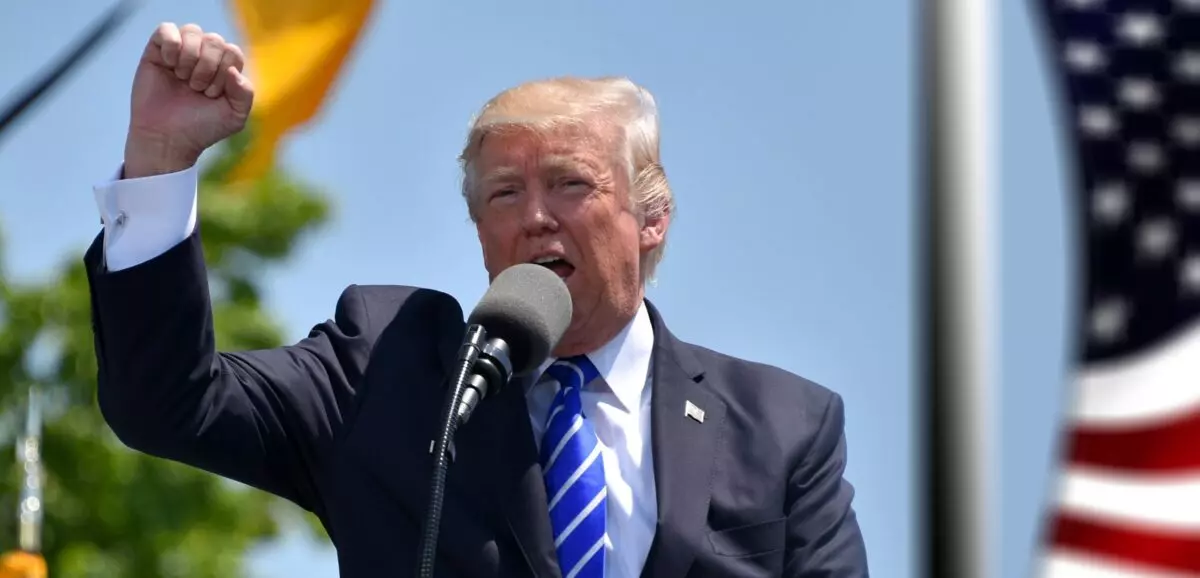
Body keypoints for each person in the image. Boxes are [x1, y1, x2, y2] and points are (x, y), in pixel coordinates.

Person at [85, 22, 870, 578]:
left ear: (652, 217)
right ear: (479, 228)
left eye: (570, 184)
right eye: (504, 193)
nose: (535, 216)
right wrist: (159, 162)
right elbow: (167, 404)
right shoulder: (385, 366)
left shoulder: (782, 425)